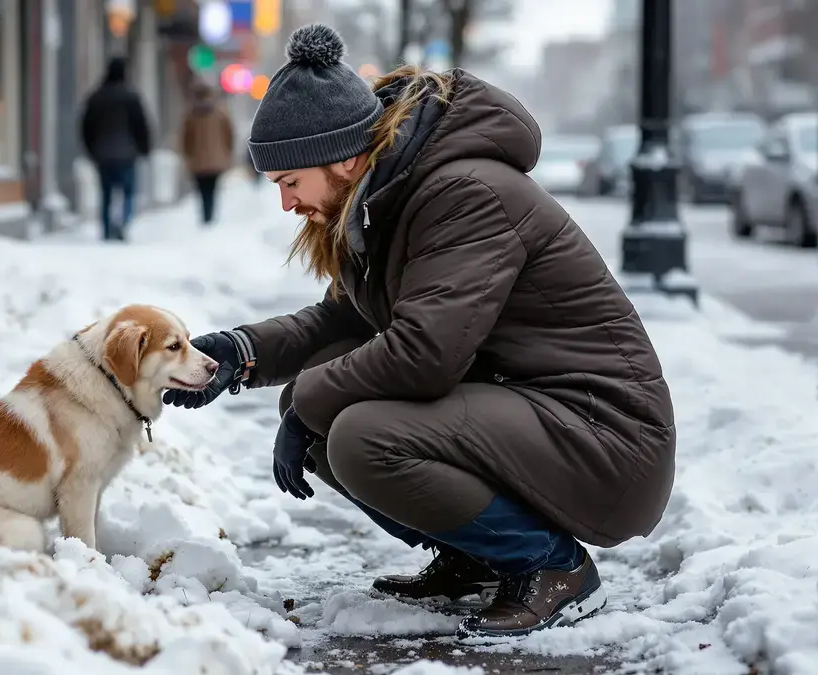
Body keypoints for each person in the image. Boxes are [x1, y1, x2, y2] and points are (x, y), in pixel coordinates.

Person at [162, 23, 676, 639]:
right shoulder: (387, 200)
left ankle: (551, 568)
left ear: (343, 156)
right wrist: (242, 353)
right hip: (536, 414)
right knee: (330, 417)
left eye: (290, 183)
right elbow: (344, 319)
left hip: (605, 436)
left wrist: (304, 401)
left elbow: (425, 355)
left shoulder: (466, 194)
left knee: (358, 433)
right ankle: (479, 557)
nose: (287, 205)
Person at [80, 57, 152, 241]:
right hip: (127, 153)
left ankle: (106, 228)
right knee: (128, 192)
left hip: (102, 154)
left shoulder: (96, 97)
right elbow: (141, 125)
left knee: (106, 194)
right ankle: (123, 223)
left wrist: (91, 149)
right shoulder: (131, 96)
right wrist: (144, 148)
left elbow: (86, 126)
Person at [180, 81, 236, 225]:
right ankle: (210, 216)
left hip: (197, 161)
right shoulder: (220, 112)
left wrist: (187, 155)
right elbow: (229, 134)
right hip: (216, 160)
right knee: (212, 189)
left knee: (202, 189)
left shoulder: (190, 114)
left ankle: (205, 216)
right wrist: (227, 152)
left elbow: (186, 138)